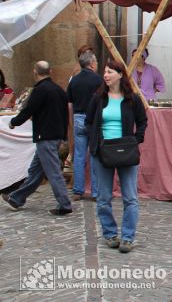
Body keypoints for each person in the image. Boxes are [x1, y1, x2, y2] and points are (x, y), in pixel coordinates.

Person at [86, 59, 148, 252]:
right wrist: (95, 141)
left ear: (121, 75)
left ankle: (128, 237)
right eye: (104, 72)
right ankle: (110, 234)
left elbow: (142, 121)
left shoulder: (132, 99)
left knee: (130, 197)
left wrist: (135, 140)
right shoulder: (98, 98)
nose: (106, 75)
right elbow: (88, 122)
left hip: (126, 152)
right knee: (103, 197)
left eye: (110, 72)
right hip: (102, 152)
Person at [2, 61, 72, 216]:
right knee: (34, 171)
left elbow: (28, 110)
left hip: (45, 137)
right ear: (51, 71)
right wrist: (63, 135)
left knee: (53, 172)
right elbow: (65, 114)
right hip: (53, 136)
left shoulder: (40, 90)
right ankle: (16, 198)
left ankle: (65, 204)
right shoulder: (59, 90)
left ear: (35, 72)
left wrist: (14, 122)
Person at [67, 51, 103, 201]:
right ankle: (95, 192)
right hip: (93, 119)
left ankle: (78, 190)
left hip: (78, 117)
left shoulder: (73, 81)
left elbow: (69, 103)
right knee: (94, 154)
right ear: (92, 64)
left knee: (79, 156)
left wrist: (71, 120)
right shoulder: (98, 80)